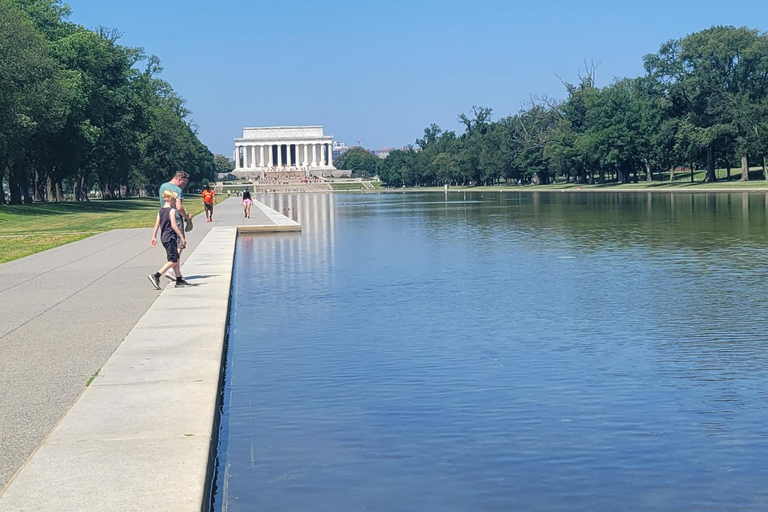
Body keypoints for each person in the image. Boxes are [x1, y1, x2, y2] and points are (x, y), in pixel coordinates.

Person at [148, 190, 190, 289]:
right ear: (171, 199)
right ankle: (156, 275)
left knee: (174, 257)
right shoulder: (172, 210)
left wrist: (154, 236)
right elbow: (174, 225)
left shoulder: (161, 210)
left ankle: (179, 279)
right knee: (173, 260)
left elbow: (156, 224)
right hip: (170, 237)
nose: (176, 201)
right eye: (175, 199)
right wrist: (182, 236)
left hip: (164, 237)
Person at [158, 171, 192, 277]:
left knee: (172, 244)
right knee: (180, 244)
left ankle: (175, 271)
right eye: (183, 183)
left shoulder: (163, 186)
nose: (183, 186)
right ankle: (172, 268)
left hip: (165, 217)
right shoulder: (177, 190)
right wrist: (186, 217)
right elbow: (179, 207)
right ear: (179, 179)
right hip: (176, 217)